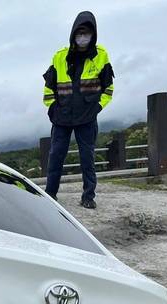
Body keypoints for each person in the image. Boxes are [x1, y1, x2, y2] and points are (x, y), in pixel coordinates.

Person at [42, 11, 114, 209]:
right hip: (61, 118)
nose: (83, 38)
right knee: (56, 156)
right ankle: (50, 194)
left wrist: (98, 107)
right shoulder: (59, 57)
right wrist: (52, 109)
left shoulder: (101, 56)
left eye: (87, 34)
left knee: (87, 157)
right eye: (79, 33)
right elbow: (49, 89)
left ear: (93, 35)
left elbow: (108, 88)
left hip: (87, 117)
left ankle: (88, 196)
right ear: (73, 34)